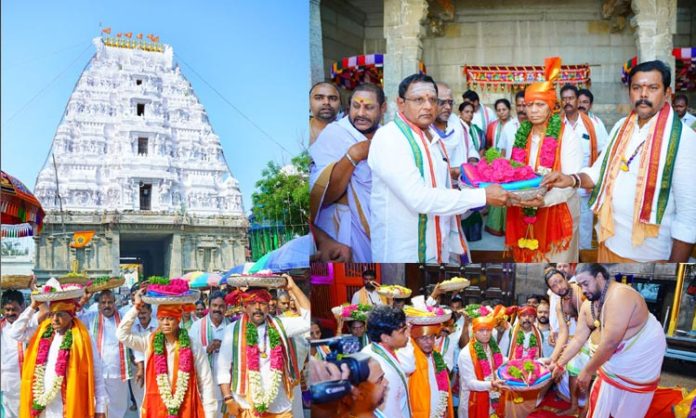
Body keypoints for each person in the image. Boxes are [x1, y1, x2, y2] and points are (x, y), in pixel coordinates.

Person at [543, 60, 696, 262]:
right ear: (629, 92)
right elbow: (599, 171)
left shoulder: (683, 138)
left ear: (667, 93)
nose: (643, 95)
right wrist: (571, 179)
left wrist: (674, 270)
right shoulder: (621, 126)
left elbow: (688, 215)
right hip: (609, 243)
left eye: (652, 88)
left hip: (650, 256)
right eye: (636, 88)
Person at [368, 74, 511, 263]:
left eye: (433, 100)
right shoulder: (389, 137)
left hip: (438, 246)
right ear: (400, 103)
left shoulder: (432, 138)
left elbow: (442, 190)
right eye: (419, 99)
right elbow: (418, 198)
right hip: (405, 253)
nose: (428, 106)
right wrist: (482, 196)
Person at [550, 264, 667, 418]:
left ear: (599, 277)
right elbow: (578, 339)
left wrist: (587, 371)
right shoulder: (588, 305)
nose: (583, 290)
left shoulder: (619, 296)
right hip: (614, 357)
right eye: (580, 285)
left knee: (627, 405)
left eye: (586, 284)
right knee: (603, 396)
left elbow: (610, 343)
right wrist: (560, 363)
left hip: (639, 354)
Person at [506, 57, 582, 262]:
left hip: (558, 215)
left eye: (540, 104)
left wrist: (544, 200)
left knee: (557, 263)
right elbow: (514, 173)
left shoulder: (567, 135)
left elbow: (570, 181)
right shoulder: (521, 134)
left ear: (551, 107)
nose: (533, 110)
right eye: (529, 105)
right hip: (524, 213)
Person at [116, 280, 217, 417]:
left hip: (186, 409)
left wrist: (210, 414)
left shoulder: (193, 345)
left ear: (178, 320)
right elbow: (121, 334)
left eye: (170, 318)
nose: (165, 323)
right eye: (162, 318)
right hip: (157, 409)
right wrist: (136, 307)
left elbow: (205, 381)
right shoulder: (149, 341)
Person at [310, 83, 387, 262]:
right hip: (343, 229)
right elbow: (323, 196)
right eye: (356, 106)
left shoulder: (388, 137)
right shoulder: (335, 135)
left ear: (382, 108)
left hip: (383, 227)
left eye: (368, 107)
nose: (360, 114)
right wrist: (353, 156)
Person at [218, 275, 310, 417]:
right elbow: (223, 368)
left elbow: (307, 320)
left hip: (279, 405)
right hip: (246, 405)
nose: (258, 308)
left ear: (269, 306)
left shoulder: (280, 325)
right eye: (253, 303)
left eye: (262, 303)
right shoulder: (232, 331)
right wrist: (228, 399)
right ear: (244, 306)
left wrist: (292, 288)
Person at [12, 280, 107, 418]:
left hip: (70, 405)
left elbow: (97, 374)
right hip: (44, 406)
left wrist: (100, 407)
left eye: (60, 314)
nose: (55, 319)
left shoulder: (84, 338)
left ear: (71, 314)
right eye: (52, 314)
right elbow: (16, 333)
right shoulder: (43, 332)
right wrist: (33, 306)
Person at [560, 84, 609, 250]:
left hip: (584, 187)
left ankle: (583, 255)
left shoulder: (594, 124)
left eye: (571, 98)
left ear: (576, 99)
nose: (567, 102)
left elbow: (603, 152)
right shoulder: (555, 123)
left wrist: (596, 178)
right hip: (561, 188)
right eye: (564, 99)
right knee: (563, 229)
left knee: (584, 228)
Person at [78, 290, 133, 418]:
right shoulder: (91, 317)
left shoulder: (124, 318)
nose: (107, 305)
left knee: (119, 407)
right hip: (98, 373)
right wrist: (83, 300)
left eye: (110, 302)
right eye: (103, 302)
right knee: (99, 406)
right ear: (98, 305)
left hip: (118, 373)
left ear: (115, 303)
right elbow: (72, 317)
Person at [544, 267, 589, 416]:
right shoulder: (560, 305)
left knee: (583, 373)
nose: (559, 287)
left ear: (565, 277)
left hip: (596, 337)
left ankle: (585, 410)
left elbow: (591, 325)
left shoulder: (581, 293)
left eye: (559, 281)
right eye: (553, 285)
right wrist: (552, 359)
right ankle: (574, 406)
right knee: (572, 366)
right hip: (580, 338)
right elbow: (563, 332)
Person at [400, 306, 454, 418]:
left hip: (439, 412)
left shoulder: (437, 355)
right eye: (423, 338)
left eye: (432, 337)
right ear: (414, 338)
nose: (429, 342)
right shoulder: (409, 359)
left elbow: (443, 388)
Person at [361, 305, 412, 418]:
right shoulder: (383, 372)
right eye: (403, 331)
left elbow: (409, 366)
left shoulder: (371, 349)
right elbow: (390, 412)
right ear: (385, 338)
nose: (408, 334)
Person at [457, 313, 504, 418]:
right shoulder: (466, 354)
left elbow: (502, 361)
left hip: (492, 398)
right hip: (472, 401)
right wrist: (491, 384)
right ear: (474, 331)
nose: (485, 334)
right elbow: (470, 383)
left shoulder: (494, 347)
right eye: (481, 330)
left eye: (488, 330)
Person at [188, 291, 228, 412]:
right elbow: (188, 353)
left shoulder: (231, 326)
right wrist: (207, 349)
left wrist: (224, 347)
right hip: (204, 385)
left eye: (221, 306)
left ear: (226, 308)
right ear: (209, 307)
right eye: (214, 306)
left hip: (225, 386)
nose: (217, 309)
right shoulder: (197, 326)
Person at [433, 82, 479, 181]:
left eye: (450, 102)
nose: (448, 107)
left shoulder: (460, 125)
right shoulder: (424, 129)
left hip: (462, 186)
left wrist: (472, 162)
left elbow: (471, 150)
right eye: (442, 102)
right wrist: (450, 172)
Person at [1, 289, 31, 417]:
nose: (10, 313)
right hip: (6, 383)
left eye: (14, 309)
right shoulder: (1, 326)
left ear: (23, 307)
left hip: (28, 380)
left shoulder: (30, 325)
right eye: (7, 309)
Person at [129, 302, 157, 411]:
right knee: (141, 401)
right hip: (137, 369)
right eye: (139, 313)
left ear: (150, 312)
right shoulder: (133, 327)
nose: (141, 316)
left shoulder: (158, 326)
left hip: (156, 368)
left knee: (155, 400)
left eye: (144, 313)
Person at [499, 90, 527, 159]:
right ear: (515, 106)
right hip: (511, 167)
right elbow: (503, 151)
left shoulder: (534, 127)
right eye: (518, 105)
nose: (521, 109)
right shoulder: (508, 126)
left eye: (524, 105)